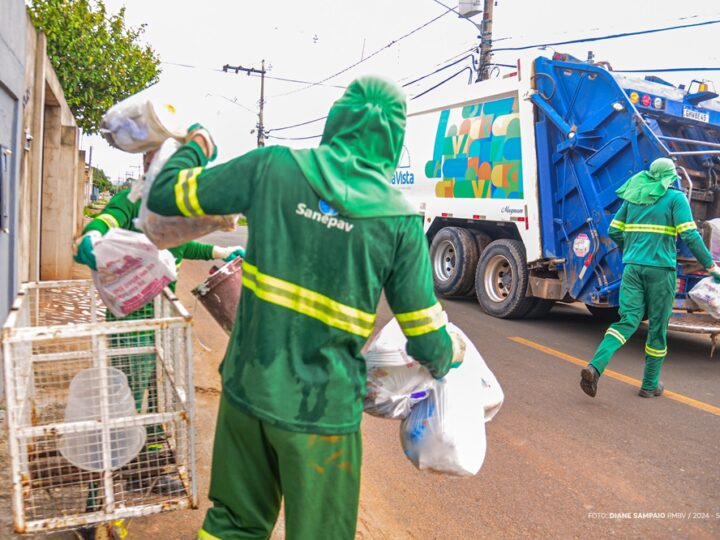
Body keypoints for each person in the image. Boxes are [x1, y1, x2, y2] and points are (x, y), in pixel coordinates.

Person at [146, 76, 465, 539]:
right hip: (323, 414)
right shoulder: (398, 219)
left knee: (232, 524)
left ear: (336, 120)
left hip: (247, 390)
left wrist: (198, 142)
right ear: (394, 140)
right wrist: (449, 354)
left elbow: (164, 194)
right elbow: (425, 336)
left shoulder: (272, 166)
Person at [73, 176, 244, 496]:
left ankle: (146, 473)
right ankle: (98, 500)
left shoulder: (169, 213)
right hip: (133, 326)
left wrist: (221, 250)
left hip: (160, 322)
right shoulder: (133, 199)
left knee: (157, 401)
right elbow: (109, 218)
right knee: (125, 406)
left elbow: (182, 245)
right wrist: (93, 233)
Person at [581, 157, 720, 399]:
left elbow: (614, 230)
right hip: (661, 271)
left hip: (633, 269)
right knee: (657, 326)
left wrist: (632, 250)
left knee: (627, 321)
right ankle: (649, 385)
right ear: (670, 177)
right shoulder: (675, 198)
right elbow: (690, 236)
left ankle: (595, 366)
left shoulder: (633, 198)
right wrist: (710, 266)